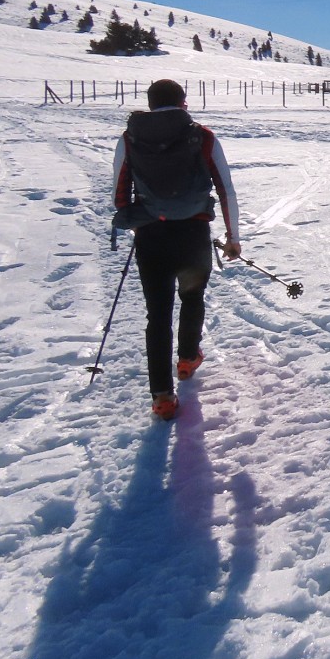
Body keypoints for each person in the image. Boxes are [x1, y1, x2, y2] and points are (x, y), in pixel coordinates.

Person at [112, 79, 241, 420]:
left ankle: (162, 396)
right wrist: (233, 236)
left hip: (152, 234)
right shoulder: (202, 136)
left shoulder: (130, 137)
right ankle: (186, 359)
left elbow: (120, 189)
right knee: (192, 297)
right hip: (193, 231)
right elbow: (225, 188)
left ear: (151, 104)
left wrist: (135, 221)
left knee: (157, 314)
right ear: (184, 102)